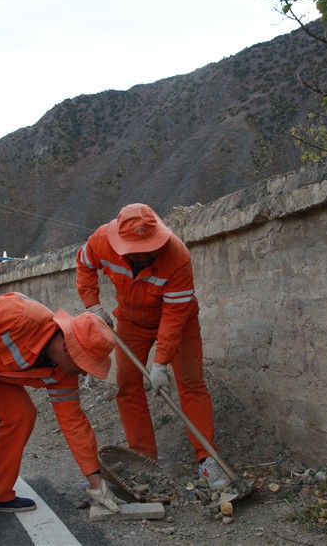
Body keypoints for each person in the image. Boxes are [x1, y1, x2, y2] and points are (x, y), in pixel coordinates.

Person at [0, 293, 123, 543]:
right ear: (67, 348)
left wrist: (97, 484)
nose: (85, 372)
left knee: (21, 415)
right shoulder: (21, 314)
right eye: (84, 364)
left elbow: (73, 422)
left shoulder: (64, 373)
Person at [75, 203, 230, 490]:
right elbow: (84, 264)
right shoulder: (101, 240)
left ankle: (207, 458)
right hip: (131, 321)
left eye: (148, 247)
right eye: (135, 248)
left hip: (179, 321)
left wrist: (160, 364)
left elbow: (173, 318)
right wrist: (92, 304)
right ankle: (143, 458)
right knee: (127, 384)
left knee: (191, 383)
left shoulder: (177, 256)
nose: (143, 253)